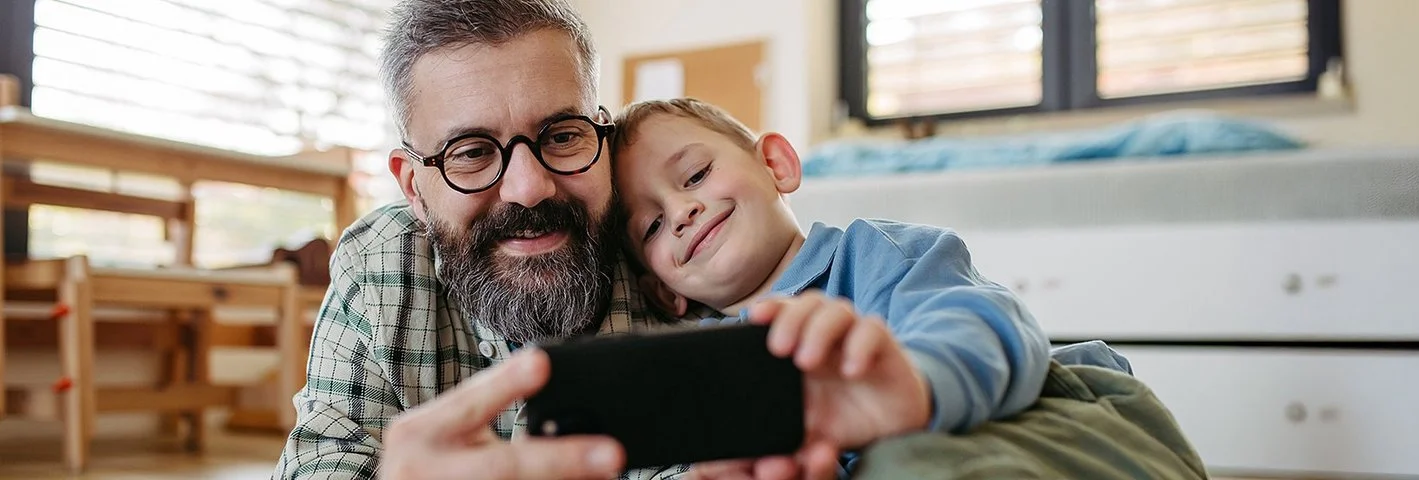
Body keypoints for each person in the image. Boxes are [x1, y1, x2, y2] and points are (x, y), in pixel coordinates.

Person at [276, 1, 1207, 479]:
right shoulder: (382, 269)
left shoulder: (654, 275)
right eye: (474, 151)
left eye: (560, 136)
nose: (530, 187)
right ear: (412, 181)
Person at [609, 98, 1050, 443]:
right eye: (652, 227)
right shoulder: (698, 364)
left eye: (696, 174)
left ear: (775, 165)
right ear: (663, 292)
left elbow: (985, 324)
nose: (682, 212)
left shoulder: (874, 252)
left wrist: (919, 383)